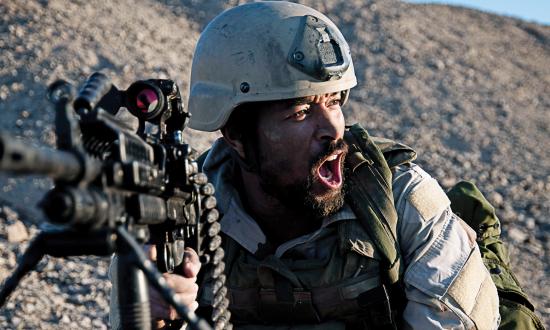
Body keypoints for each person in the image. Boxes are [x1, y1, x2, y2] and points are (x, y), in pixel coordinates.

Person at [112, 2, 504, 329]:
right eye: (301, 111)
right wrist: (152, 319)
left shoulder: (402, 199)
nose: (333, 129)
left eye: (334, 102)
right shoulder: (178, 218)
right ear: (235, 135)